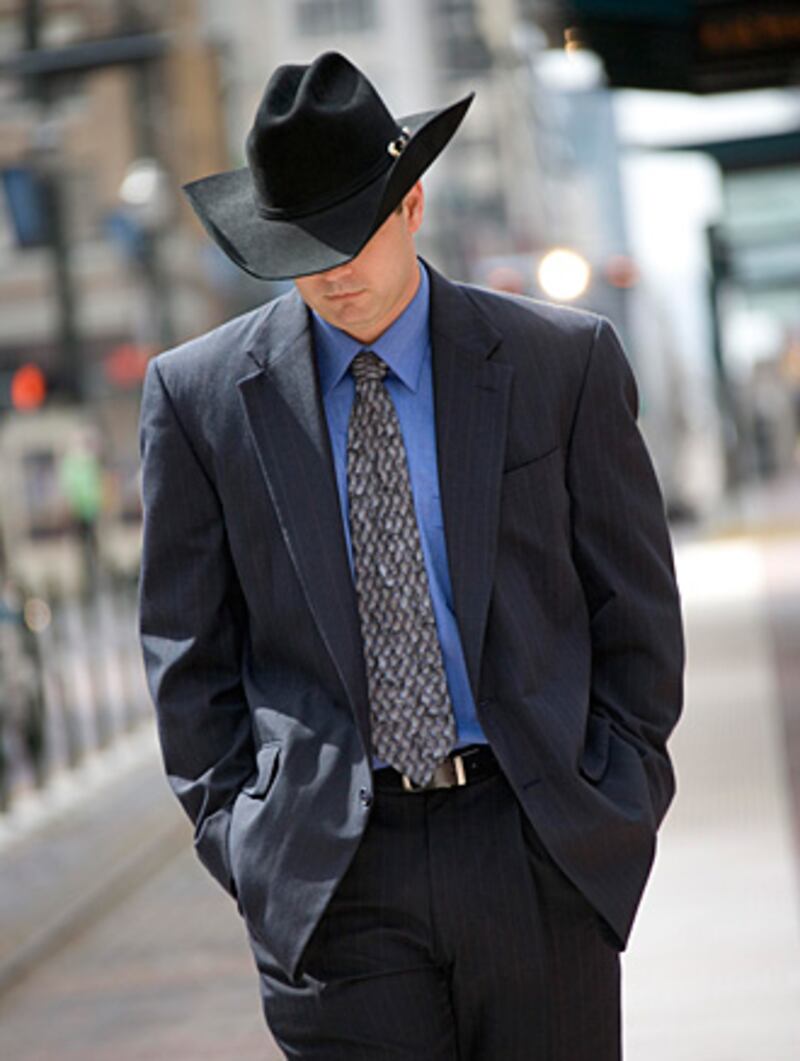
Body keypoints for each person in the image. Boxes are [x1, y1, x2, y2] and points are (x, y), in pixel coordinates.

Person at [138, 51, 684, 1060]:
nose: (332, 270)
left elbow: (636, 613)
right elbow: (186, 654)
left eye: (352, 233)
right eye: (300, 246)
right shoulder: (199, 400)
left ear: (414, 204)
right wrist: (247, 842)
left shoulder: (559, 362)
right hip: (334, 876)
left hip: (535, 841)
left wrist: (614, 799)